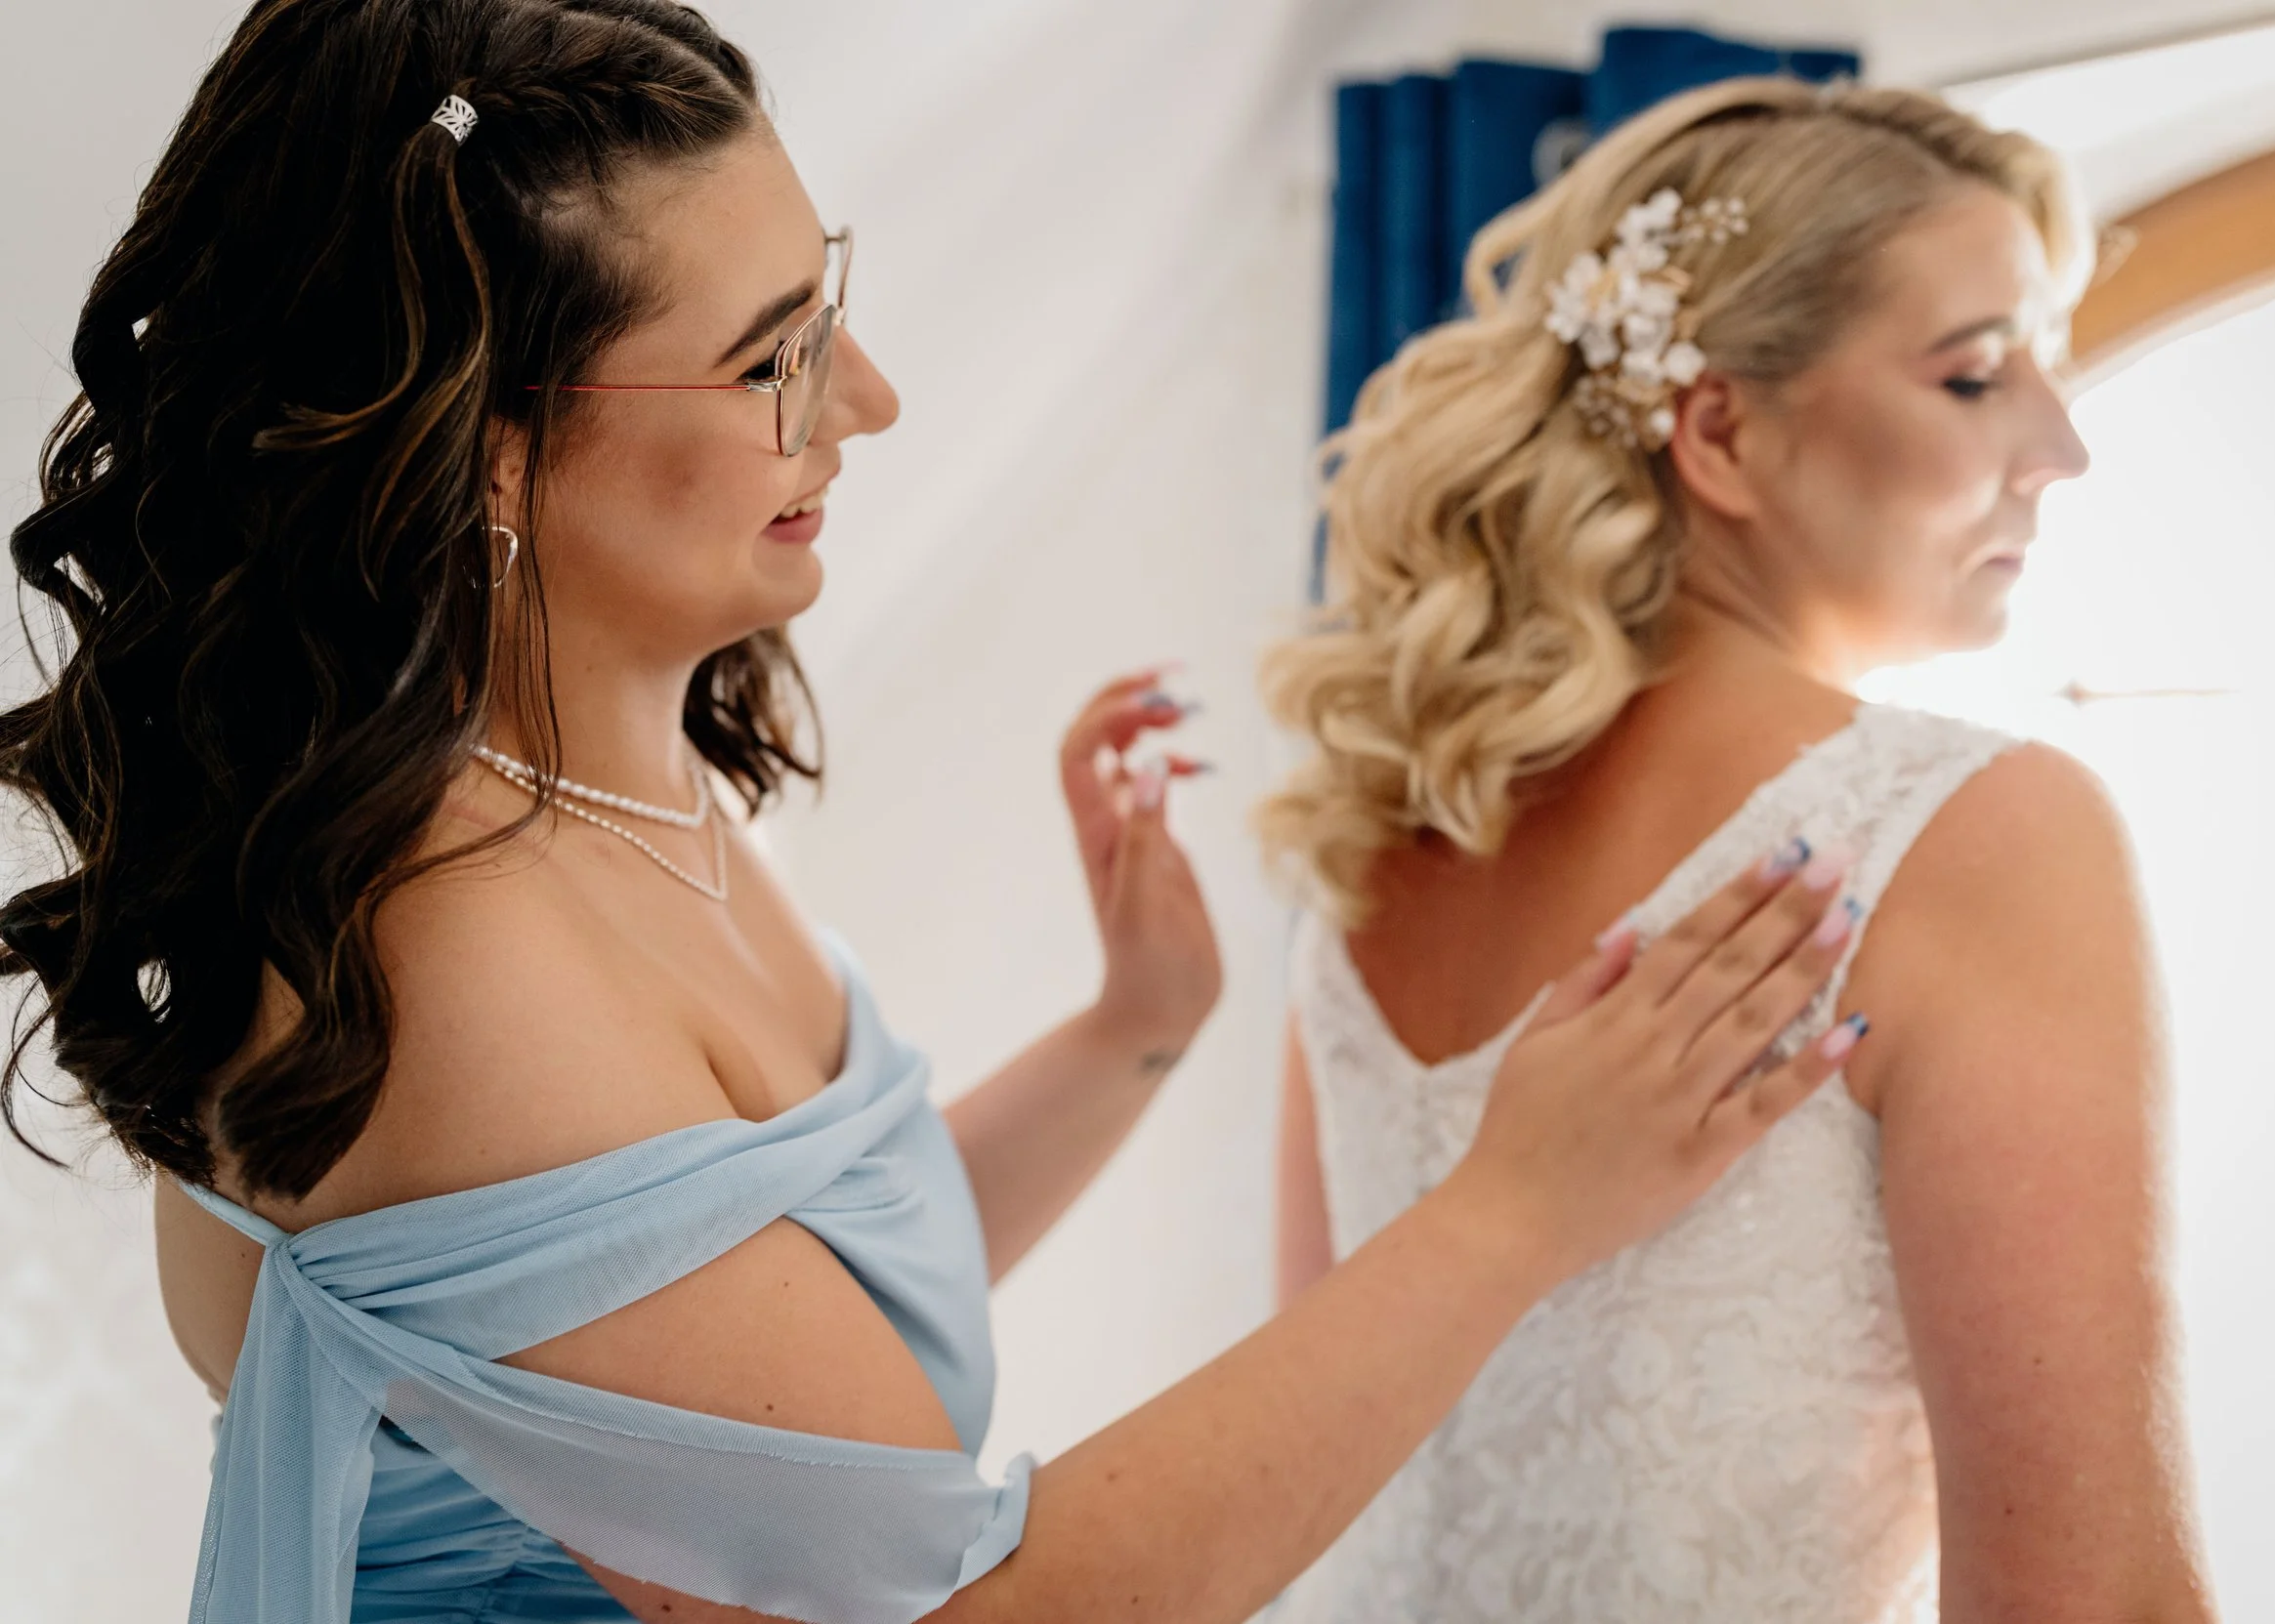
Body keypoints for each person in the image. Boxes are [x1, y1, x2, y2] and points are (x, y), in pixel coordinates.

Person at [0, 4, 1859, 1621]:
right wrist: (1510, 1214)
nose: (869, 401)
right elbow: (964, 1606)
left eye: (833, 308)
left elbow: (770, 1310)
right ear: (490, 442)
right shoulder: (452, 966)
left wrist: (1133, 1031)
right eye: (774, 358)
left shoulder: (609, 770)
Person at [1262, 78, 2213, 1624]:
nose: (2062, 446)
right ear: (1719, 431)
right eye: (1976, 375)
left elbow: (1296, 1463)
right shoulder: (1978, 835)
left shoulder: (1383, 849)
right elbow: (2095, 1604)